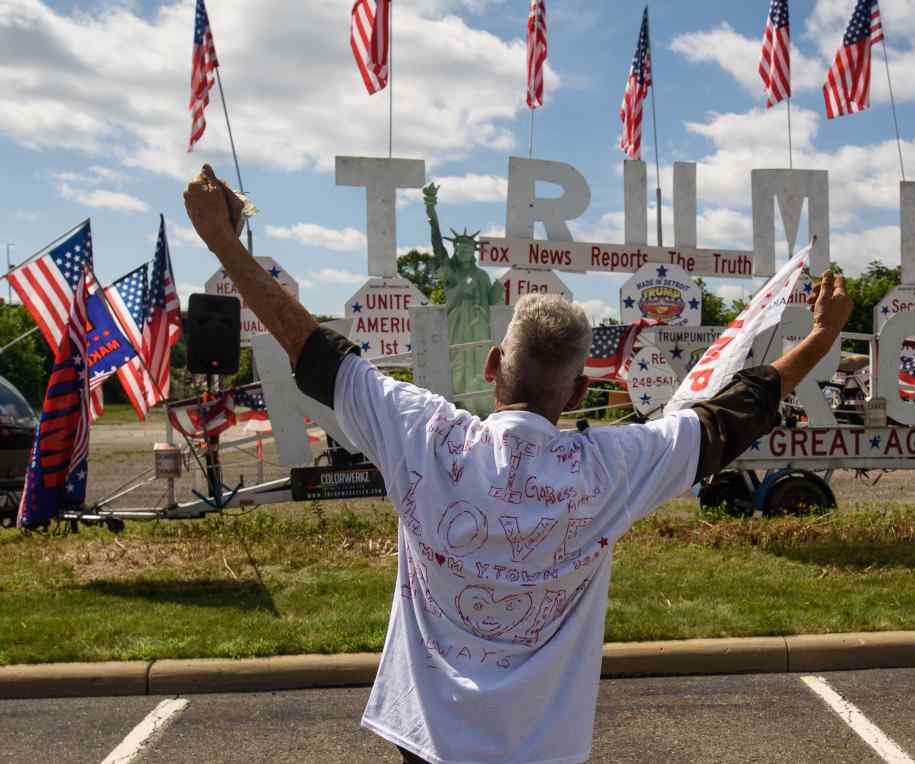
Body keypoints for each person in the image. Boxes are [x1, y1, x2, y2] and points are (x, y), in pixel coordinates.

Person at [183, 164, 853, 764]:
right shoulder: (614, 468)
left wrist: (225, 244)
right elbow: (731, 415)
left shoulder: (423, 433)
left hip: (429, 741)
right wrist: (821, 336)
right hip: (544, 747)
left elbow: (312, 348)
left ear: (493, 365)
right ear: (580, 391)